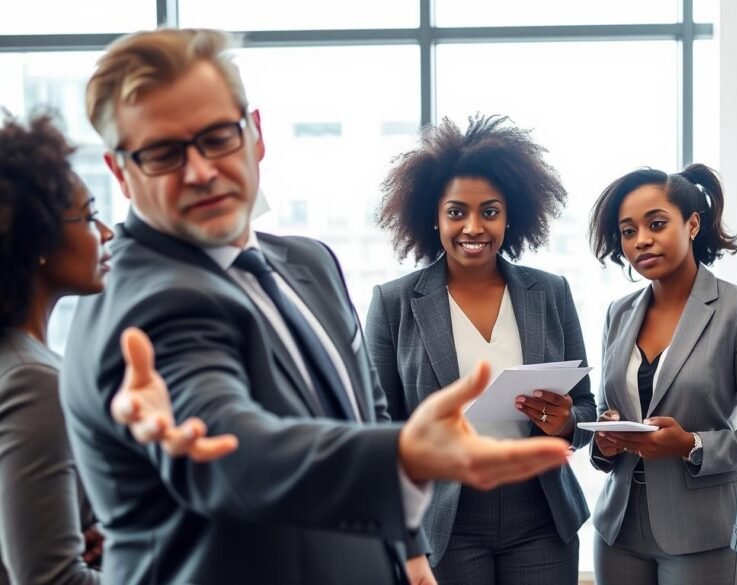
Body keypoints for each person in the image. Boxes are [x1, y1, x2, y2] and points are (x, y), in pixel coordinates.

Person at [59, 28, 570, 585]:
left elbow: (363, 412)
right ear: (118, 171)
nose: (201, 170)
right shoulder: (147, 303)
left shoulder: (307, 263)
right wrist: (405, 455)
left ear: (253, 134)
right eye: (162, 153)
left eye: (216, 137)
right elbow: (238, 450)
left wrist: (405, 550)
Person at [0, 113, 236, 585]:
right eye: (88, 216)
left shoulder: (20, 360)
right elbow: (50, 578)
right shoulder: (32, 379)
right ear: (39, 239)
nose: (107, 233)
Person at [367, 114, 596, 585]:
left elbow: (585, 408)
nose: (473, 227)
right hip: (444, 517)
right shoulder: (393, 303)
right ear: (433, 216)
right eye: (457, 212)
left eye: (489, 211)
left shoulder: (550, 293)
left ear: (510, 215)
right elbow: (375, 426)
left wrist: (566, 421)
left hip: (541, 512)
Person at [586, 166, 737, 585]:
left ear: (692, 224)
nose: (641, 240)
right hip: (619, 529)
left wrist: (690, 444)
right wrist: (607, 441)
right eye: (628, 231)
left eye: (656, 224)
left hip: (704, 533)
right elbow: (606, 410)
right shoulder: (619, 313)